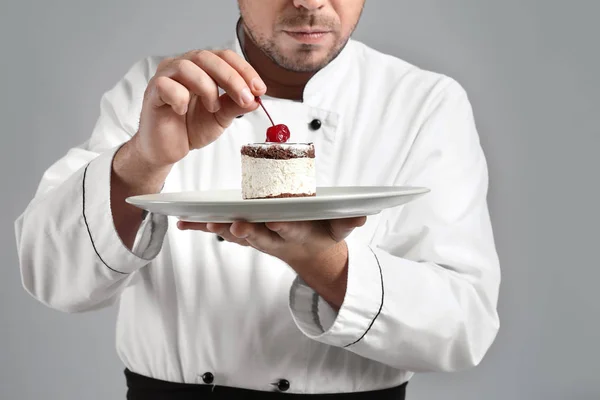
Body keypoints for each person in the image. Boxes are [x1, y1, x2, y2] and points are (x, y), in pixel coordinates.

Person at [14, 0, 501, 398]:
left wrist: (322, 260)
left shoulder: (424, 104)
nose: (310, 2)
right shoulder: (158, 90)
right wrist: (142, 159)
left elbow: (461, 329)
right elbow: (51, 276)